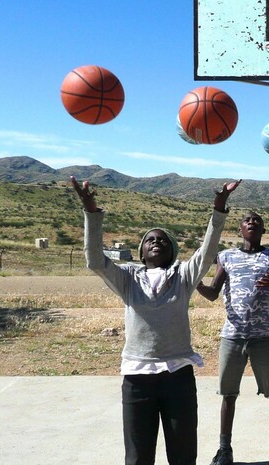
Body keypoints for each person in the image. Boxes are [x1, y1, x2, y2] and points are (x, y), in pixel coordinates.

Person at [71, 175, 239, 465]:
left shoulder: (183, 277)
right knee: (138, 457)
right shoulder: (127, 279)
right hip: (137, 379)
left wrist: (219, 207)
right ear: (142, 251)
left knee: (183, 454)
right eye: (150, 239)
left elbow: (208, 251)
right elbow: (95, 261)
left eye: (162, 240)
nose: (156, 242)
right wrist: (90, 209)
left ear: (172, 250)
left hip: (178, 377)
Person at [195, 211, 269, 465]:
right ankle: (224, 450)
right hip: (232, 337)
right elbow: (212, 293)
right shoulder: (227, 256)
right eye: (247, 221)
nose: (252, 223)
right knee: (228, 395)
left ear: (263, 230)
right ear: (240, 229)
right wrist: (193, 281)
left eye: (257, 221)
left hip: (264, 336)